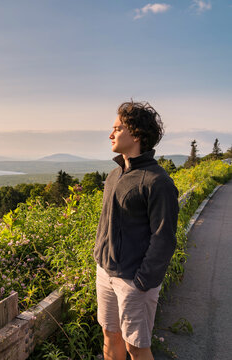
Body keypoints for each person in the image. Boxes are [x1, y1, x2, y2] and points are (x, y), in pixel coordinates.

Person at [93, 101, 179, 360]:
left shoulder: (157, 182)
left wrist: (142, 282)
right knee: (110, 335)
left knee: (137, 348)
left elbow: (164, 239)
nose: (111, 134)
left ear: (137, 134)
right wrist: (99, 257)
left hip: (134, 281)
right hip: (105, 273)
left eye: (117, 128)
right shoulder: (113, 176)